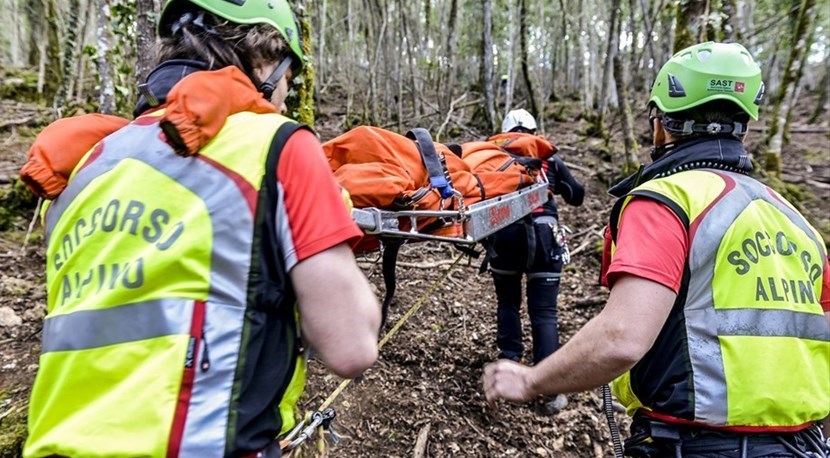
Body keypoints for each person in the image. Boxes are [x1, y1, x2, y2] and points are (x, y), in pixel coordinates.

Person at [23, 0, 380, 457]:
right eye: (289, 80)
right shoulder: (278, 143)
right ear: (267, 60)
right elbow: (351, 347)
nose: (287, 97)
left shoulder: (91, 164)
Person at [483, 42, 830, 457]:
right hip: (804, 445)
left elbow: (622, 338)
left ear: (661, 125)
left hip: (693, 444)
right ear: (746, 128)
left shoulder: (665, 201)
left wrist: (531, 381)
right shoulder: (794, 218)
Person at [485, 108, 584, 415]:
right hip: (545, 237)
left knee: (508, 303)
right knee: (544, 312)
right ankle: (549, 389)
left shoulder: (492, 159)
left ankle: (509, 364)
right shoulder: (548, 159)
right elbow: (577, 195)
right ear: (533, 130)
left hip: (505, 236)